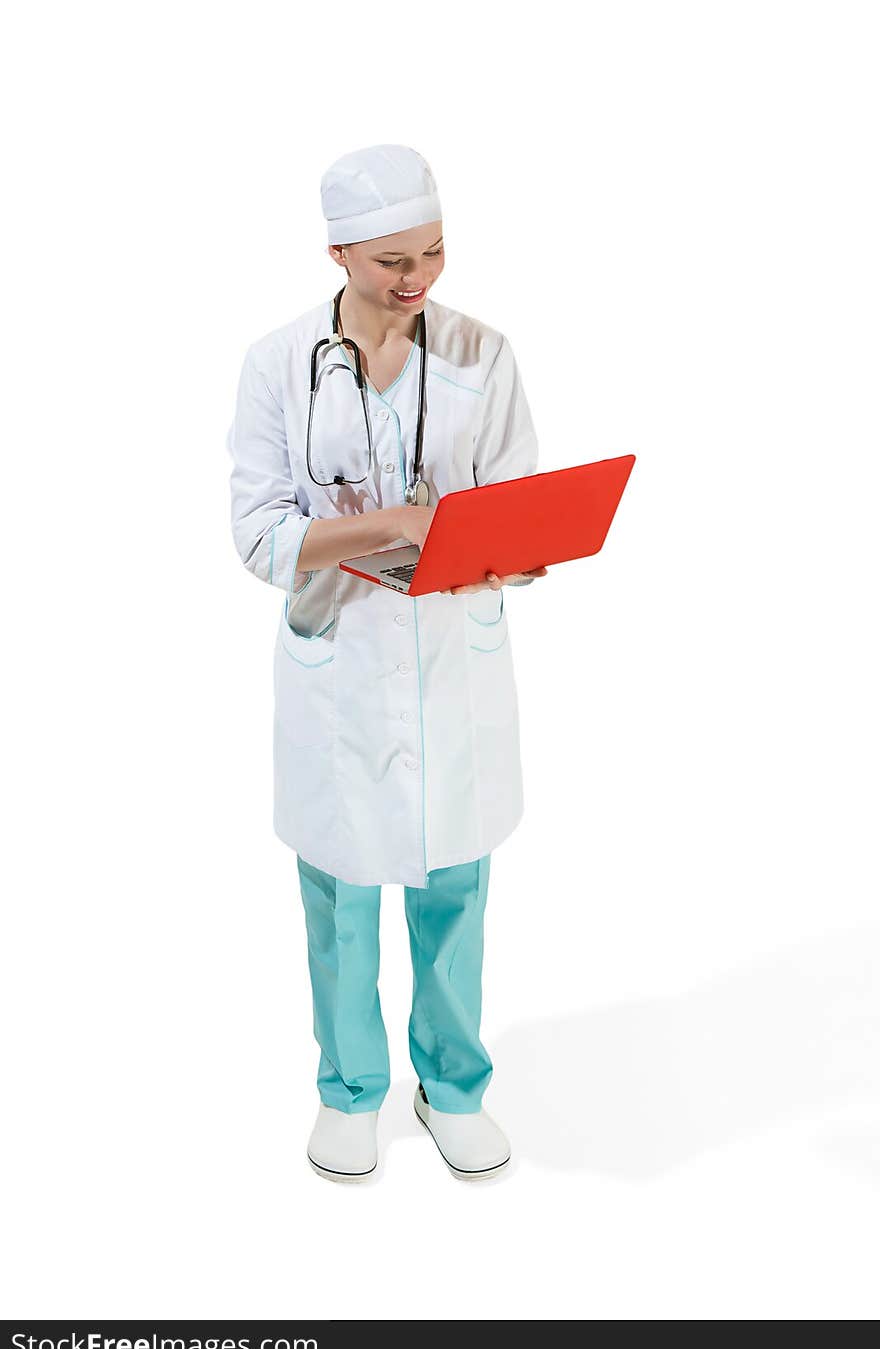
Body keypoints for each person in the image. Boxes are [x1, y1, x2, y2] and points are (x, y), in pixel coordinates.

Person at [226, 144, 547, 1184]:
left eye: (436, 254)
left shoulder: (481, 354)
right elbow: (259, 534)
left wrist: (518, 545)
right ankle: (349, 1089)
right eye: (391, 262)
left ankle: (453, 1085)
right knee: (341, 892)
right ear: (338, 253)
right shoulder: (278, 363)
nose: (418, 281)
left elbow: (514, 503)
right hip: (340, 667)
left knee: (457, 882)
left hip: (452, 654)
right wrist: (390, 528)